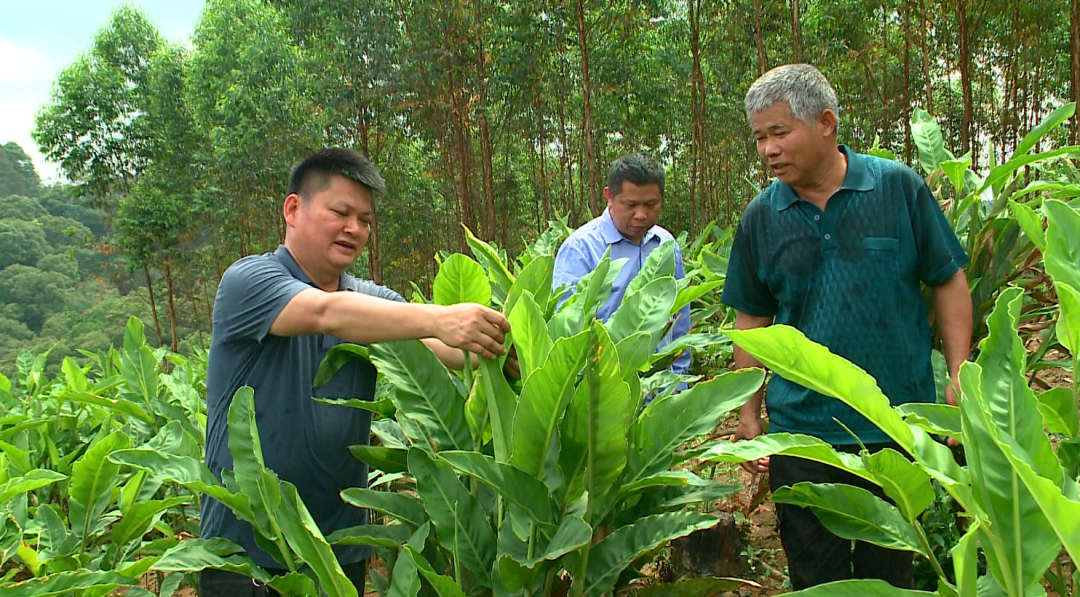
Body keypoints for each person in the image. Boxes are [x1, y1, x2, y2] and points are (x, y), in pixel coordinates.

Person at [200, 148, 511, 596]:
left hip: (339, 553)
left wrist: (507, 351)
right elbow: (327, 313)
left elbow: (445, 347)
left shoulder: (373, 300)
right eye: (340, 212)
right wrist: (440, 317)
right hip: (248, 556)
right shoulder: (249, 281)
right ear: (293, 209)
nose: (355, 229)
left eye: (365, 219)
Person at [722, 64, 972, 590]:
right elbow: (752, 317)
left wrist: (959, 374)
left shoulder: (897, 188)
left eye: (780, 132)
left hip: (894, 424)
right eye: (760, 137)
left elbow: (948, 279)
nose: (768, 149)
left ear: (827, 122)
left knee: (892, 569)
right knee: (816, 576)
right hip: (805, 433)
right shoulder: (760, 218)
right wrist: (748, 411)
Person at [552, 153, 691, 376]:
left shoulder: (666, 245)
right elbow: (568, 331)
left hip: (659, 390)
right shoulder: (581, 250)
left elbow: (680, 321)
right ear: (609, 196)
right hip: (604, 389)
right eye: (631, 205)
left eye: (651, 204)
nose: (641, 215)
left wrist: (678, 380)